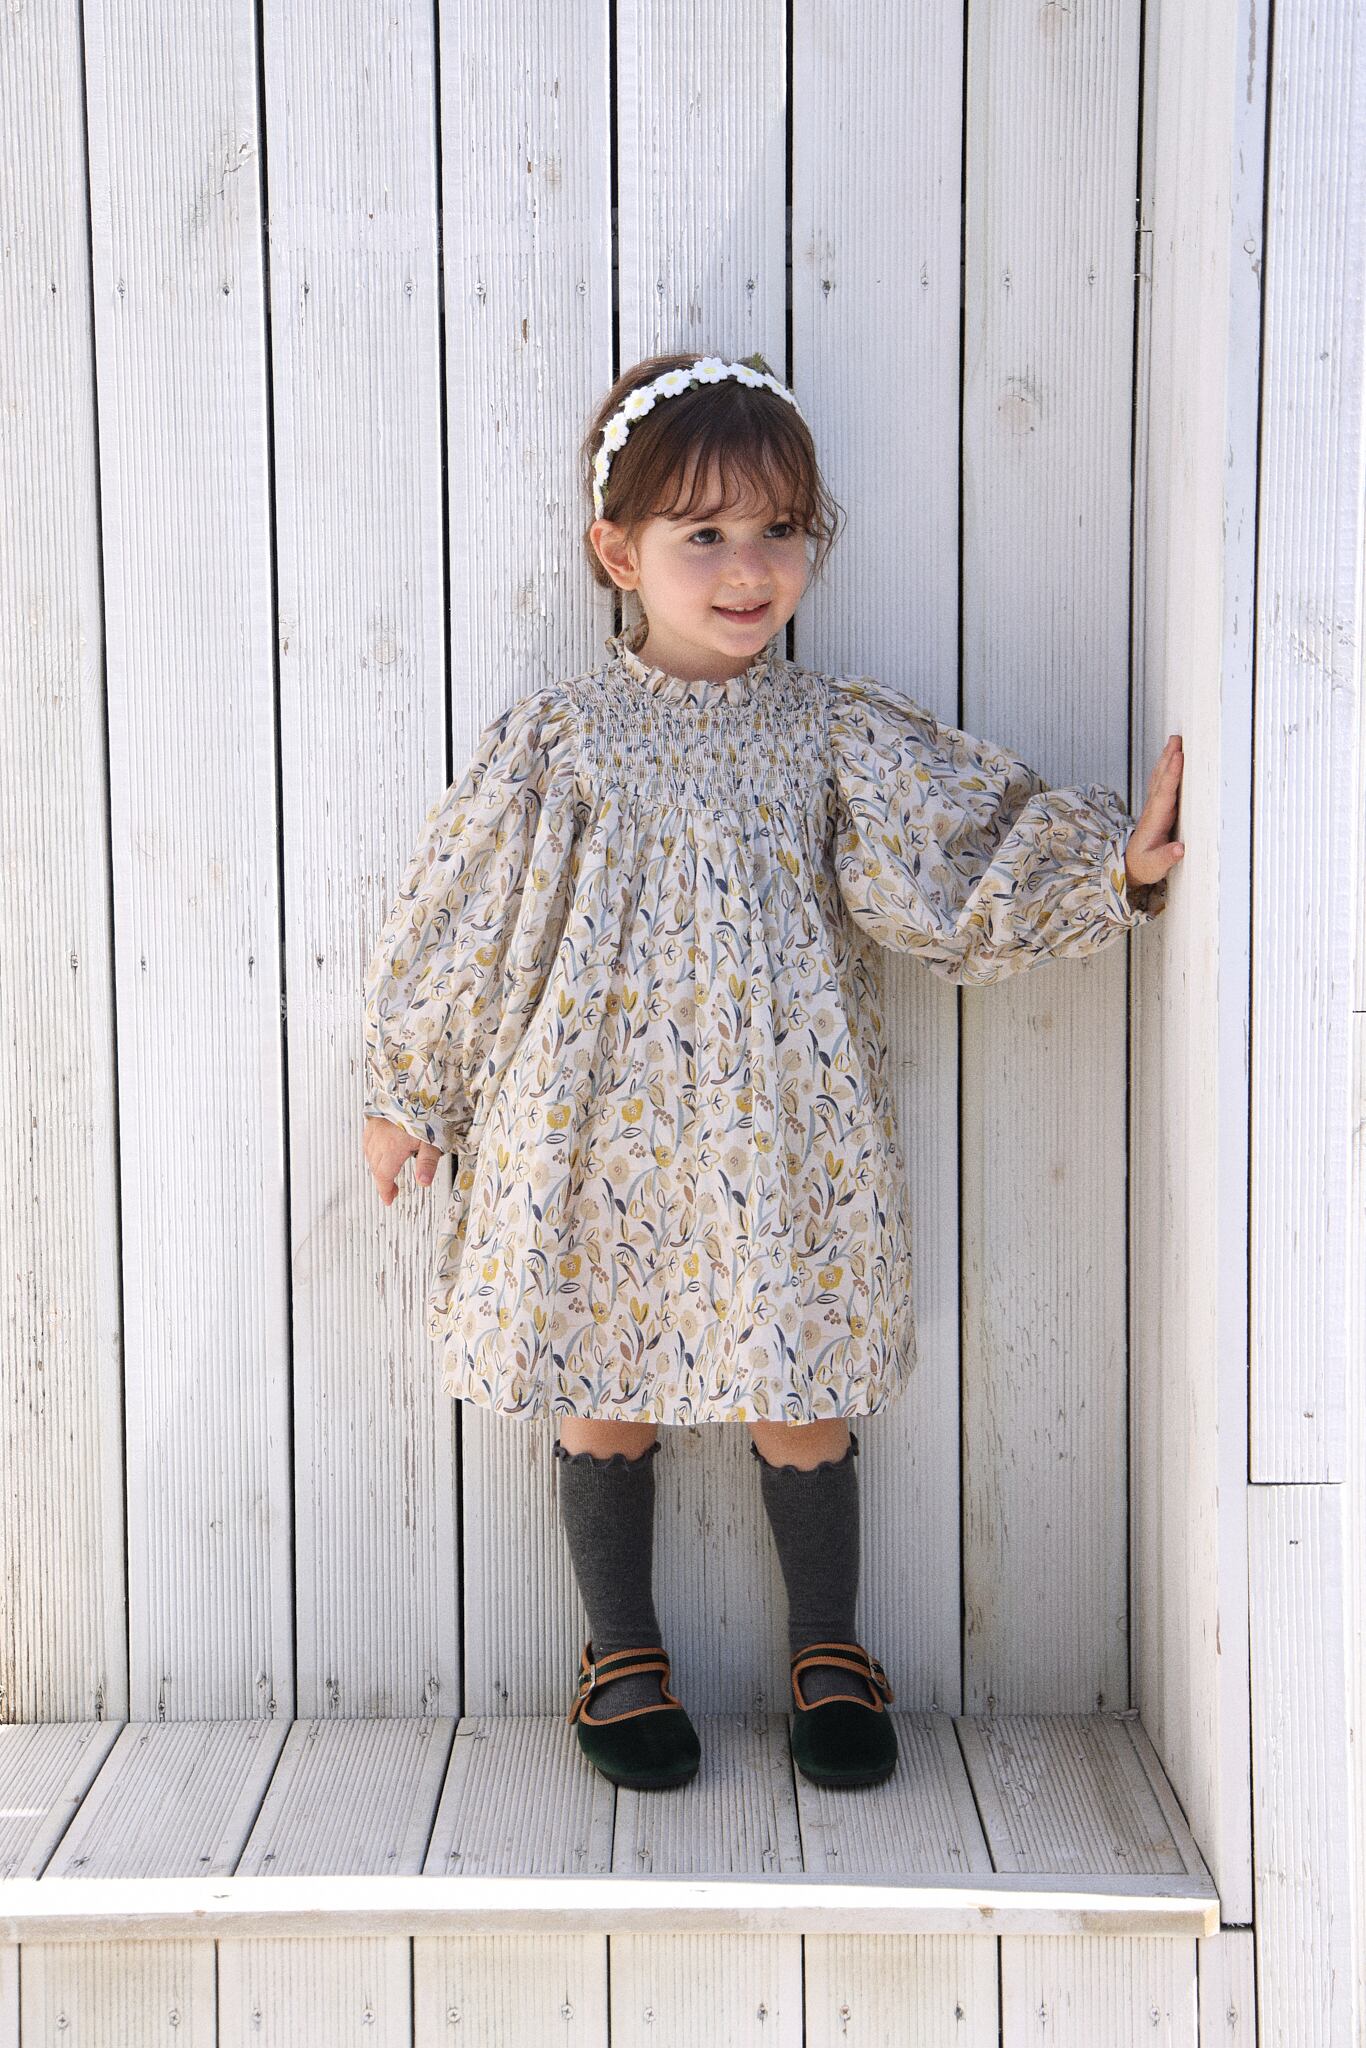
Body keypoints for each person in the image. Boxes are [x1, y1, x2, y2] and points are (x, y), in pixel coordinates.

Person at [361, 351, 1185, 1797]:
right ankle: (621, 1653)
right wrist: (410, 1089)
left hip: (782, 1123)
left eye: (779, 529)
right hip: (594, 1121)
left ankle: (829, 1651)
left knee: (798, 1376)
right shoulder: (564, 739)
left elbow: (948, 861)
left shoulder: (831, 734)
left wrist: (1103, 868)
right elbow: (475, 916)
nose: (749, 568)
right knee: (601, 1369)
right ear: (617, 551)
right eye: (705, 533)